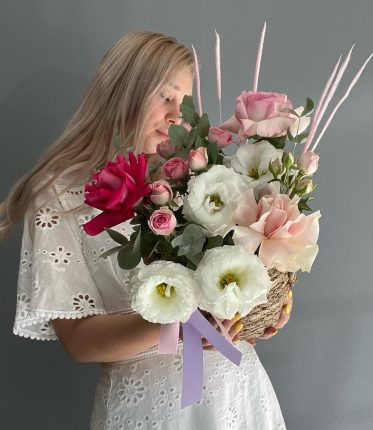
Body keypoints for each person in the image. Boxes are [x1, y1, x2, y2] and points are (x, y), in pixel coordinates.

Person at [1, 31, 294, 429]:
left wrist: (263, 306)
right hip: (150, 408)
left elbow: (235, 282)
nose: (177, 115)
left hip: (237, 395)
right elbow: (79, 341)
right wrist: (176, 323)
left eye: (184, 102)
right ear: (123, 92)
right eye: (165, 96)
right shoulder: (59, 197)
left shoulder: (200, 178)